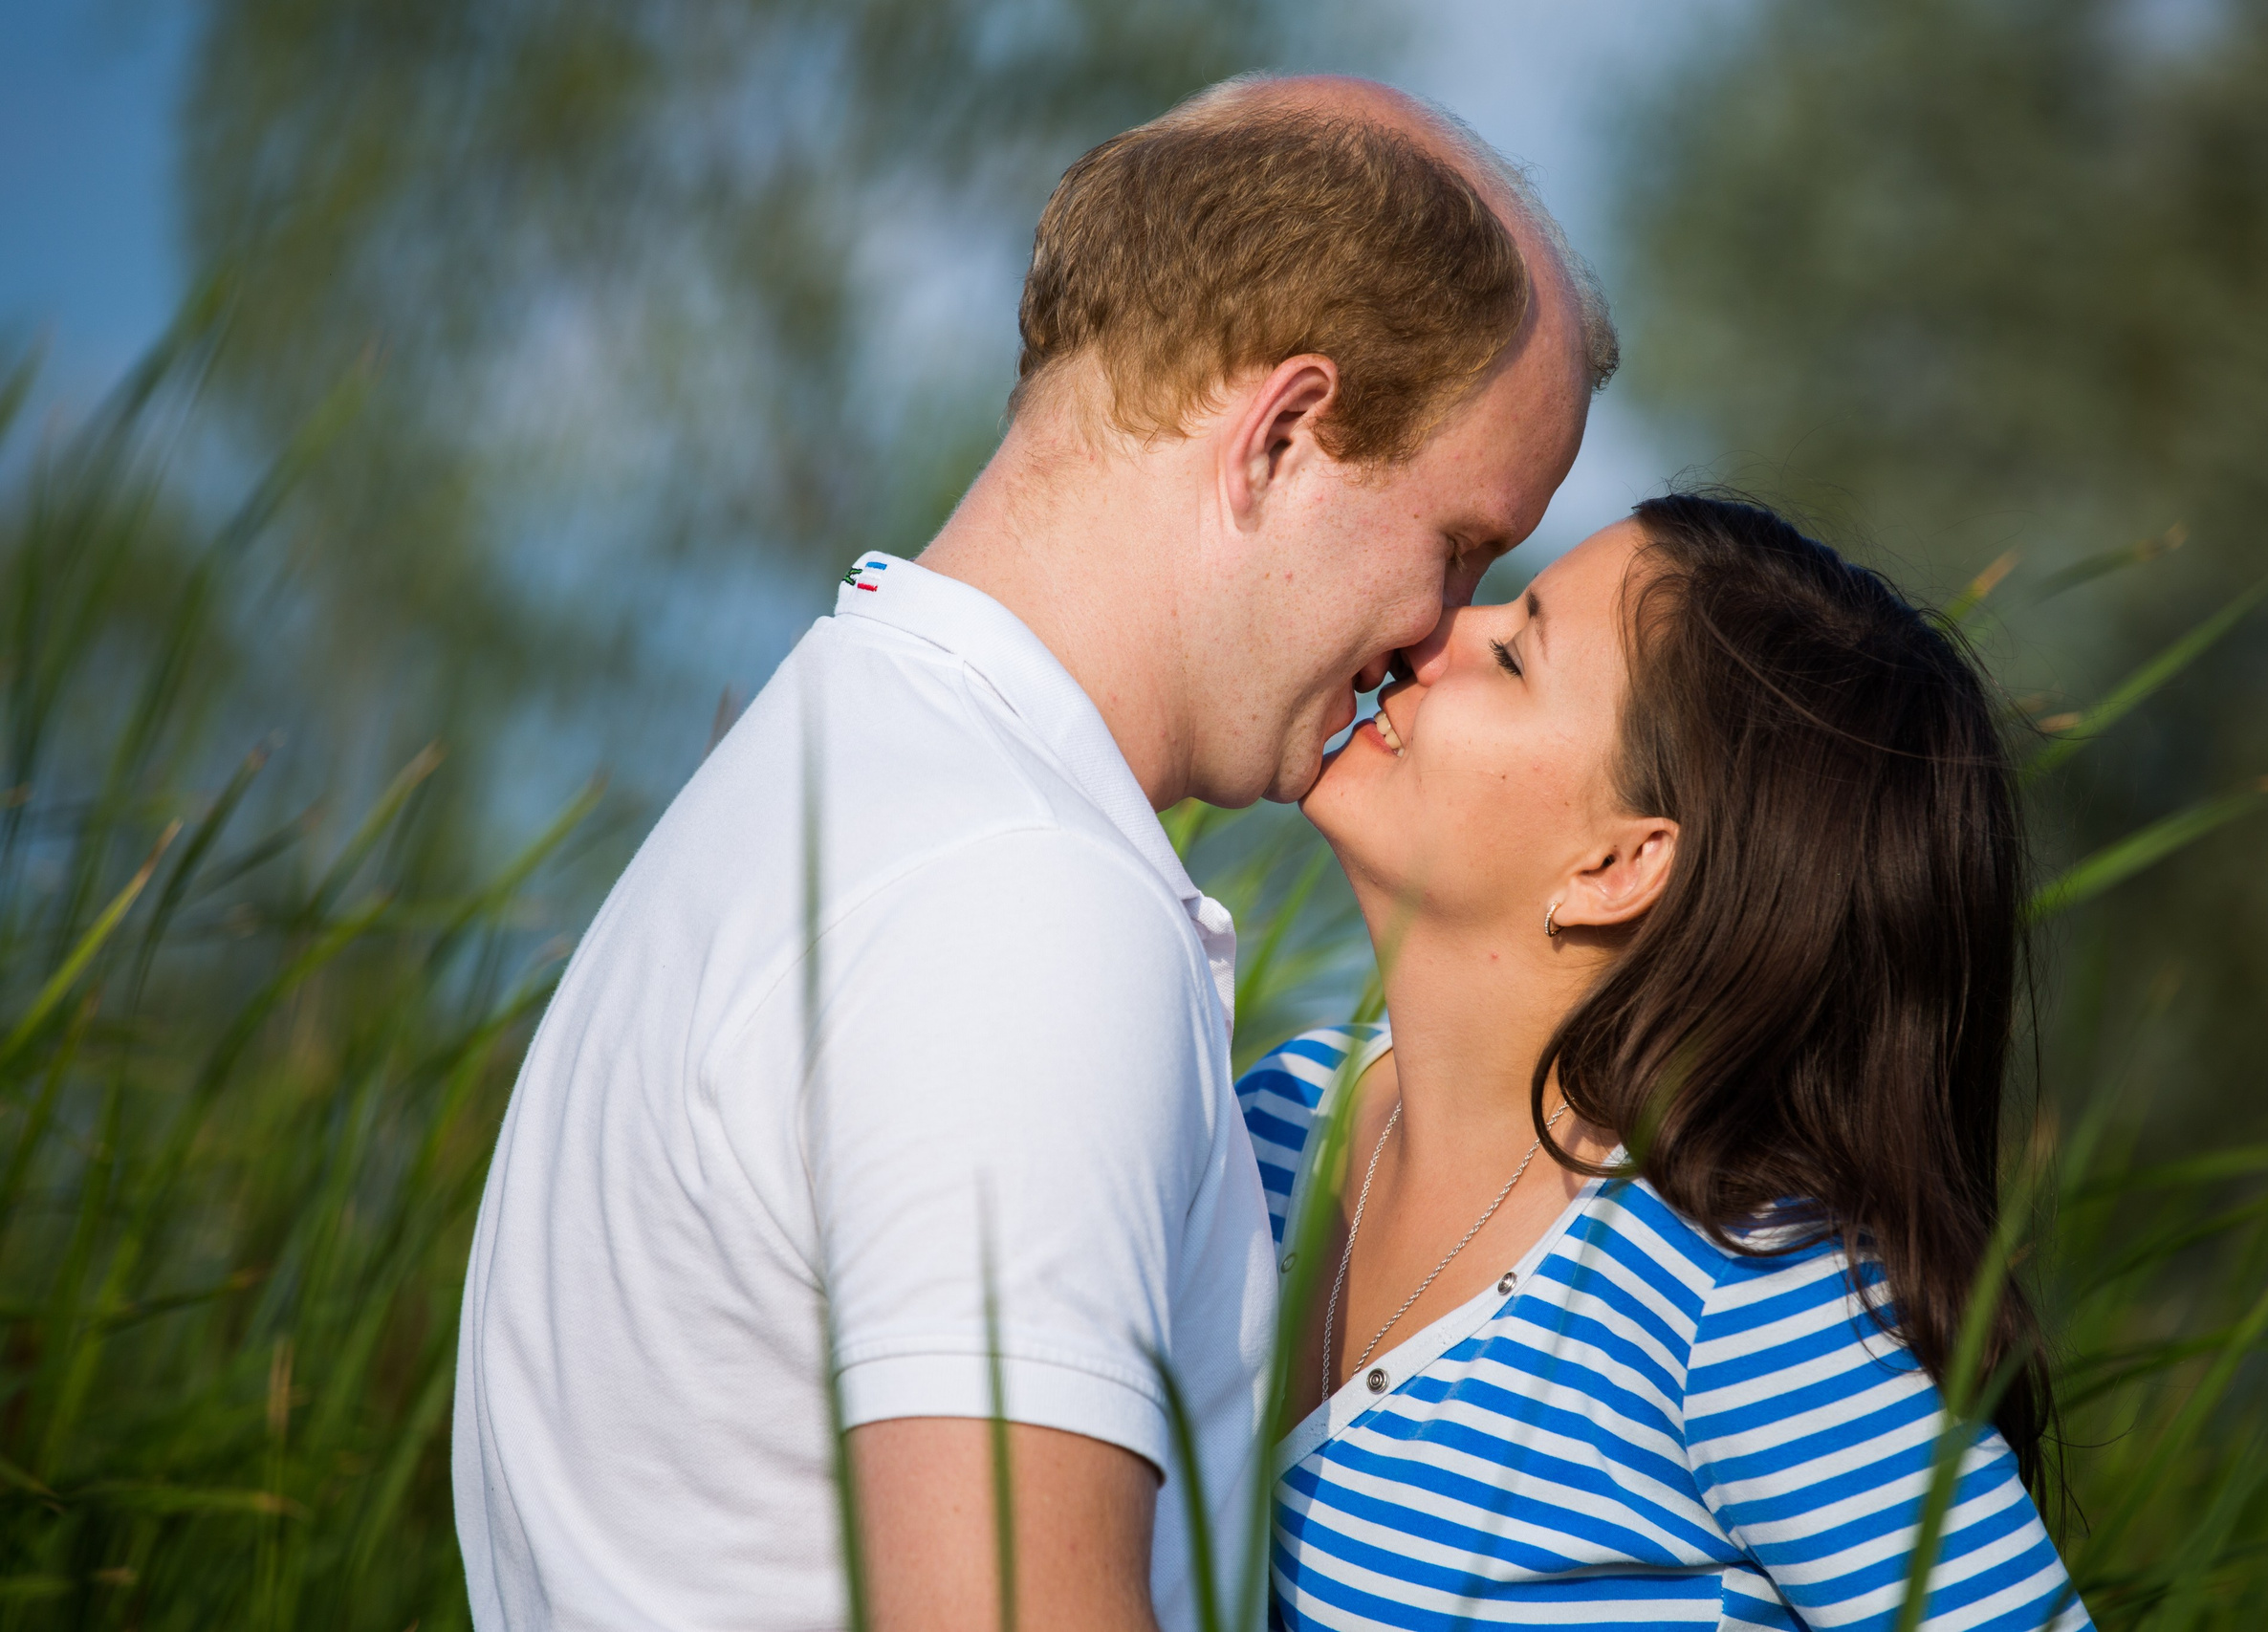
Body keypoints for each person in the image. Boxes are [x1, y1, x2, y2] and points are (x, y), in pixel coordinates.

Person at [451, 73, 1619, 1632]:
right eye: (1459, 546)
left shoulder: (820, 791)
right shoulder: (1015, 902)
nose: (1433, 639)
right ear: (1280, 436)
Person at [1242, 493, 2092, 1628]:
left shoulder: (1744, 1292)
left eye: (1513, 653)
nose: (1429, 628)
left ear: (1617, 865)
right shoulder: (1270, 1121)